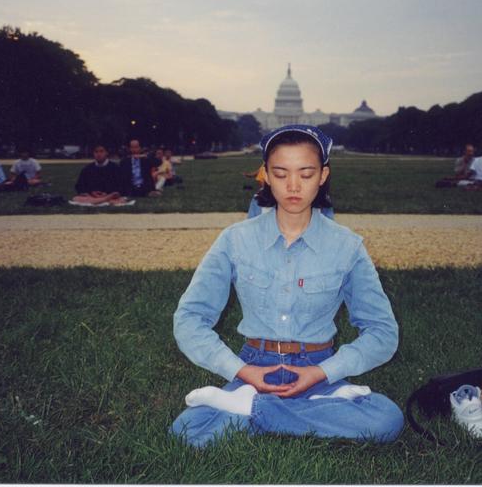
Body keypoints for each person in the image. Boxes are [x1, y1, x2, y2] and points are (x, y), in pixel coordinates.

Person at [171, 124, 404, 448]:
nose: (293, 186)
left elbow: (382, 332)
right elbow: (189, 318)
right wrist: (241, 371)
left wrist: (323, 372)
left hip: (317, 370)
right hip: (254, 368)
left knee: (386, 420)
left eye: (306, 174)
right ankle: (311, 412)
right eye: (281, 174)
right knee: (187, 433)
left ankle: (249, 409)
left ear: (323, 175)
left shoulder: (347, 246)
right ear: (266, 175)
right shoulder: (236, 239)